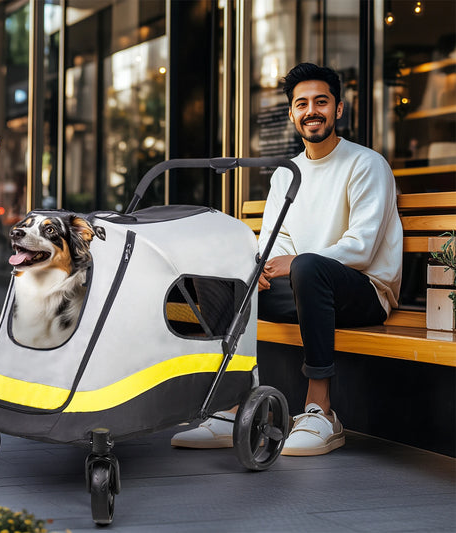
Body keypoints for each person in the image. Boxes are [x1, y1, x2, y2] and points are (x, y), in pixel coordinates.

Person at [171, 62, 403, 456]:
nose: (312, 110)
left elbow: (361, 247)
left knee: (307, 268)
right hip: (304, 287)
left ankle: (321, 411)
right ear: (293, 113)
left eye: (321, 101)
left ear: (339, 109)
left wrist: (293, 262)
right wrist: (263, 268)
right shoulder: (287, 173)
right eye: (302, 104)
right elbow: (276, 241)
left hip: (363, 292)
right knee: (228, 282)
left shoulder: (366, 164)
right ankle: (230, 406)